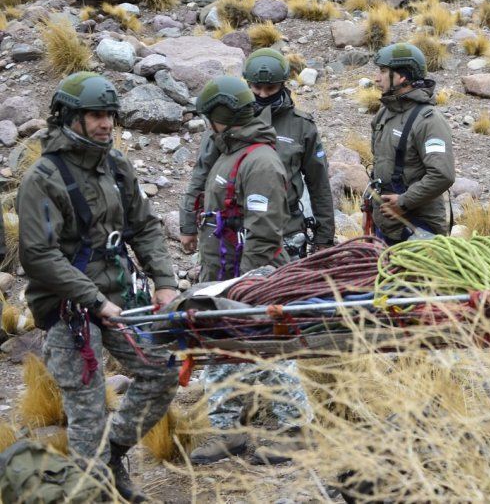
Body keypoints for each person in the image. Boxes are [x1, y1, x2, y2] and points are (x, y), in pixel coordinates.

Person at [17, 72, 180, 502]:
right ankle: (96, 492)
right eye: (95, 115)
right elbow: (38, 256)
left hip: (121, 297)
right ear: (70, 117)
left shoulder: (115, 165)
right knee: (87, 411)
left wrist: (164, 282)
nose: (106, 123)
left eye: (110, 114)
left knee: (161, 372)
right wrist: (93, 300)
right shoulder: (43, 178)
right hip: (68, 309)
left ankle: (112, 456)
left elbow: (143, 226)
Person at [186, 76, 312, 465]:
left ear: (223, 115)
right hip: (222, 273)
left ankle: (293, 432)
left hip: (248, 277)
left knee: (270, 352)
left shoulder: (259, 162)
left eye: (211, 116)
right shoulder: (229, 152)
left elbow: (264, 232)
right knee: (223, 350)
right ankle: (229, 432)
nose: (208, 123)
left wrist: (244, 287)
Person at [179, 48, 335, 259]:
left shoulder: (302, 126)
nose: (263, 94)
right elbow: (202, 172)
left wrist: (324, 237)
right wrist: (188, 224)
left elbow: (319, 183)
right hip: (231, 228)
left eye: (270, 88)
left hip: (285, 228)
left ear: (283, 84)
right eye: (257, 88)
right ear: (247, 84)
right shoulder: (227, 119)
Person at [368, 42, 455, 242]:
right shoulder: (384, 113)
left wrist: (404, 201)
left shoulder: (429, 121)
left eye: (383, 71)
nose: (376, 78)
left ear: (402, 76)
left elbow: (443, 175)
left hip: (419, 229)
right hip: (387, 225)